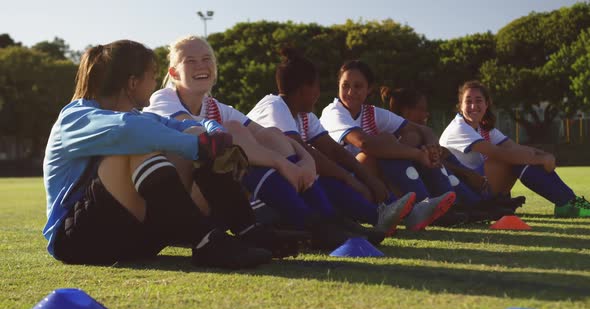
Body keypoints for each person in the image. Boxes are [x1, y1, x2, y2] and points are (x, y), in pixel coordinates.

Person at [42, 40, 298, 270]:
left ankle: (247, 229)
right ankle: (206, 241)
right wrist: (198, 147)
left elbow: (183, 126)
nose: (155, 83)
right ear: (133, 83)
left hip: (135, 239)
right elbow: (127, 130)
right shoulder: (75, 117)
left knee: (193, 131)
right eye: (152, 76)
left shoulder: (137, 116)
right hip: (77, 239)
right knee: (139, 147)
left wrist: (213, 133)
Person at [142, 36, 383, 249]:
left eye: (206, 59)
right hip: (177, 211)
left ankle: (326, 220)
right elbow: (200, 136)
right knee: (230, 134)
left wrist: (306, 161)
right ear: (174, 73)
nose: (201, 65)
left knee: (266, 135)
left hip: (218, 202)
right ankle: (313, 223)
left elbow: (270, 135)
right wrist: (283, 164)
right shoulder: (164, 98)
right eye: (190, 61)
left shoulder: (214, 106)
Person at [248, 48, 453, 233]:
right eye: (317, 87)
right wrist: (352, 179)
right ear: (304, 89)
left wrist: (366, 179)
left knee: (377, 147)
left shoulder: (304, 115)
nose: (319, 94)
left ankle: (390, 212)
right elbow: (306, 153)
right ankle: (374, 217)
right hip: (259, 195)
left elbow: (334, 151)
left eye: (358, 86)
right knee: (323, 176)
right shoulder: (274, 106)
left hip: (289, 184)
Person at [319, 60, 456, 230]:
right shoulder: (333, 112)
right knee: (382, 146)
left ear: (369, 89)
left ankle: (428, 205)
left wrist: (431, 147)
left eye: (358, 86)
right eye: (345, 85)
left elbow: (421, 130)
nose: (350, 92)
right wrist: (418, 154)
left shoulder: (371, 112)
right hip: (342, 183)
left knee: (406, 138)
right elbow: (365, 144)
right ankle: (421, 205)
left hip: (366, 178)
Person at [439, 80, 590, 218]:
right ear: (460, 105)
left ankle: (569, 201)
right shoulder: (459, 128)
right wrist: (540, 159)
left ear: (486, 104)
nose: (473, 106)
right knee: (512, 159)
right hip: (460, 193)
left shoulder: (483, 128)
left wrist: (546, 156)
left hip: (477, 186)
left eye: (478, 101)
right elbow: (501, 154)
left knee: (520, 155)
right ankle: (567, 202)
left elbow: (515, 147)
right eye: (468, 101)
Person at [381, 87, 523, 225]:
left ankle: (479, 204)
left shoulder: (419, 133)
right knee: (441, 164)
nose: (427, 114)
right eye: (422, 109)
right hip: (401, 194)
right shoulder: (400, 136)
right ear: (407, 111)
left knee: (444, 158)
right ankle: (471, 205)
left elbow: (434, 144)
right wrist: (467, 174)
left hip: (451, 182)